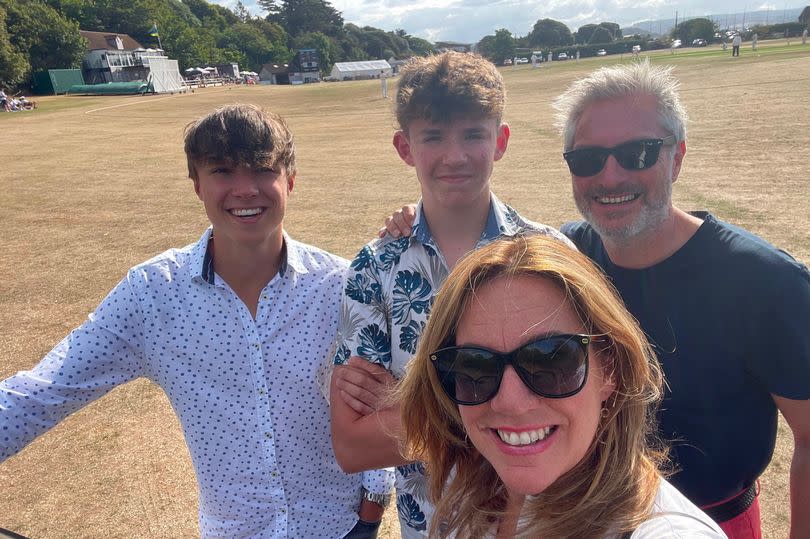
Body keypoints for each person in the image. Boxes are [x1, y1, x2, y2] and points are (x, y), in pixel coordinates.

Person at [0, 104, 391, 539]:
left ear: (290, 180)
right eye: (222, 171)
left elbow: (381, 395)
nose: (244, 189)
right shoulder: (152, 293)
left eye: (262, 169)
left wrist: (374, 504)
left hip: (340, 526)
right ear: (197, 186)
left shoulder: (341, 285)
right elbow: (44, 390)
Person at [554, 61, 810, 538]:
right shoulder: (566, 257)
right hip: (586, 520)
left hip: (716, 521)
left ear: (677, 157)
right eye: (588, 159)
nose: (610, 176)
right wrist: (409, 219)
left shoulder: (765, 281)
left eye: (638, 153)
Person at [329, 51, 572, 538]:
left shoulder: (549, 254)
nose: (455, 155)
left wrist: (411, 410)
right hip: (432, 527)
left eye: (473, 134)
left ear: (500, 141)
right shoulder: (376, 266)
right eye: (434, 137)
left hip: (544, 524)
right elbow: (354, 445)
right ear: (405, 147)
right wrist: (515, 416)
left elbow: (579, 411)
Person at [397, 234, 725, 538]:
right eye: (474, 366)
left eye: (551, 361)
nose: (510, 402)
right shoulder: (474, 482)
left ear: (609, 370)